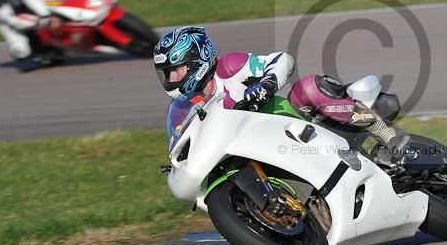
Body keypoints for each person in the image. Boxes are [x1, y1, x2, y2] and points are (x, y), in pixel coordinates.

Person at [153, 26, 410, 163]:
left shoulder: (229, 67)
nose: (171, 79)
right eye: (167, 73)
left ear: (198, 60)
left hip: (297, 127)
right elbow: (181, 145)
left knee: (306, 88)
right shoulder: (183, 108)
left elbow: (282, 60)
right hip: (258, 154)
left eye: (176, 70)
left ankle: (387, 134)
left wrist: (266, 85)